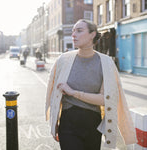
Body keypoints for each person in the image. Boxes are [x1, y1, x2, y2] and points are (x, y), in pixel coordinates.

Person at [45, 19, 137, 150]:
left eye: (79, 31)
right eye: (73, 31)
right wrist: (54, 123)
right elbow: (53, 92)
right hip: (68, 123)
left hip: (93, 123)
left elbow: (106, 99)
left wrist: (73, 93)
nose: (74, 34)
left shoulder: (106, 63)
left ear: (92, 34)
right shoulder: (63, 60)